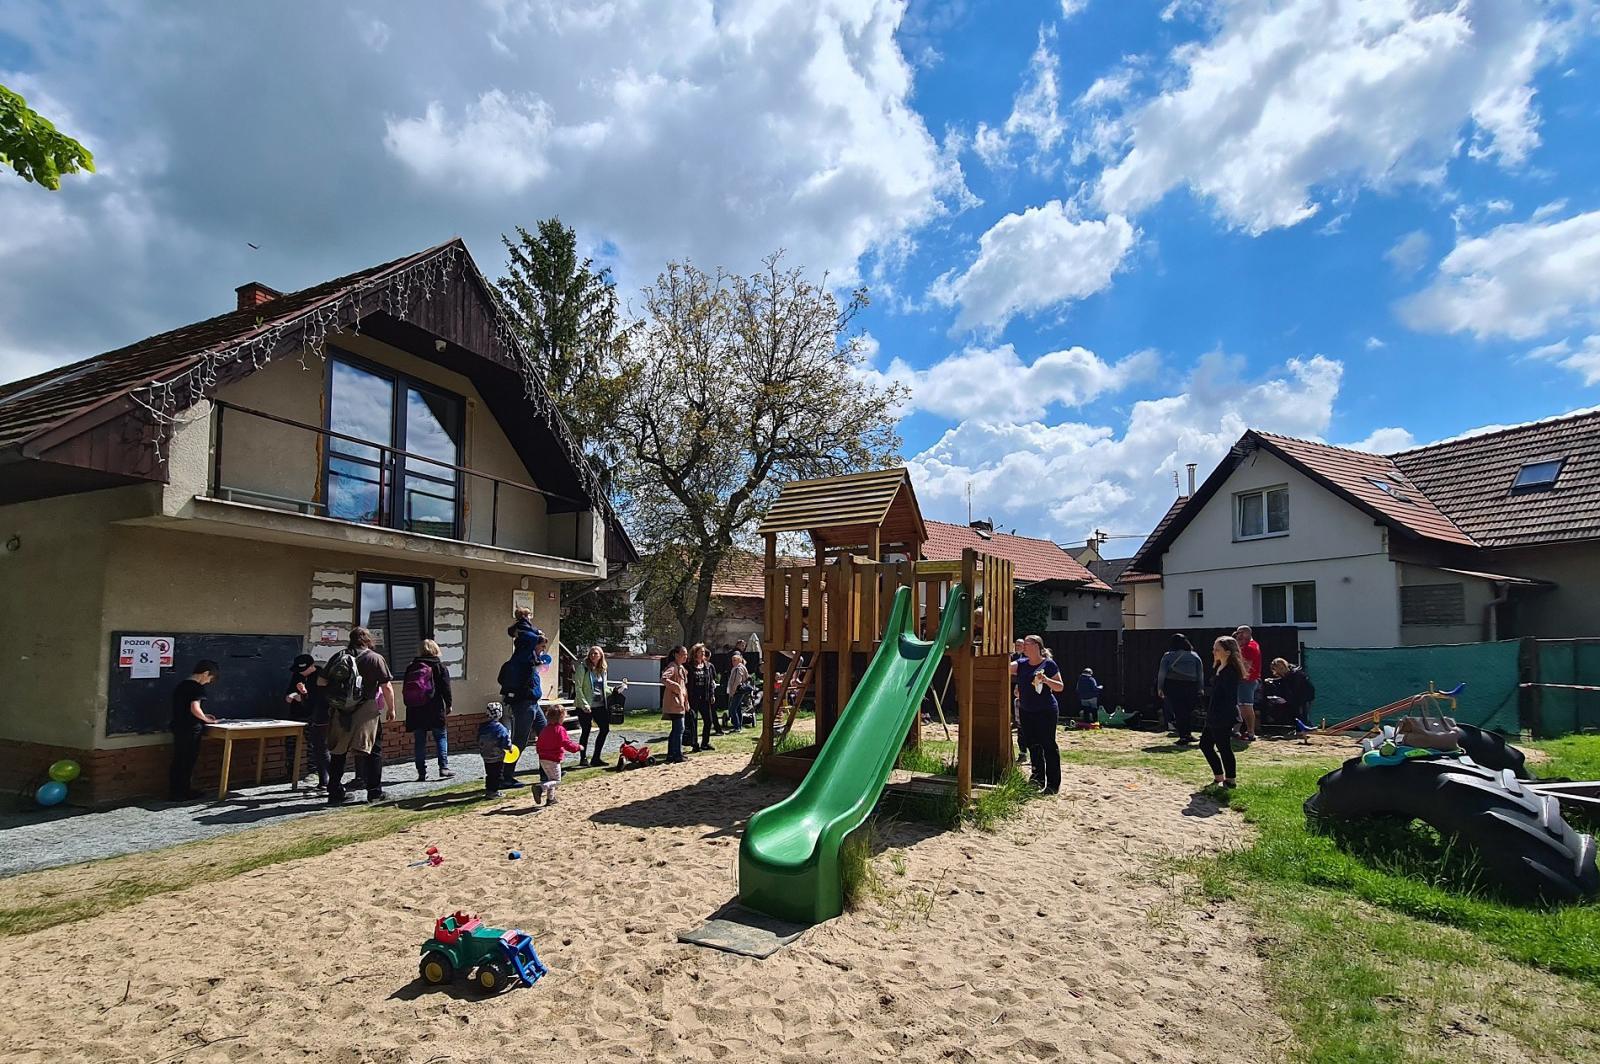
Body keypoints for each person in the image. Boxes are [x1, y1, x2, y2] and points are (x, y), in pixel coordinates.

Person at [325, 627, 394, 805]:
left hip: (340, 711)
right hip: (366, 710)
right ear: (368, 639)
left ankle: (334, 792)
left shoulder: (339, 656)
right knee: (372, 750)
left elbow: (321, 681)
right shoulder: (374, 658)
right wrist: (391, 709)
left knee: (338, 752)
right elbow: (386, 686)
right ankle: (374, 792)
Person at [499, 608, 549, 788]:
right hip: (524, 702)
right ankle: (506, 775)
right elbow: (530, 636)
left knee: (545, 735)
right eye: (541, 646)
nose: (542, 649)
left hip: (533, 702)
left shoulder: (529, 654)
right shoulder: (524, 650)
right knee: (520, 740)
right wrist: (538, 634)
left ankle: (546, 771)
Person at [1008, 635, 1063, 794]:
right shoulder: (1021, 664)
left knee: (1048, 745)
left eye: (1027, 644)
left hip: (1046, 710)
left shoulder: (1048, 664)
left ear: (1037, 646)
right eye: (1023, 644)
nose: (1024, 646)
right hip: (1026, 710)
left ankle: (1053, 784)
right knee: (1033, 745)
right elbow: (1004, 666)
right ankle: (1037, 778)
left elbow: (1060, 687)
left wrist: (1046, 680)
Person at [403, 639, 454, 782]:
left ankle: (421, 772)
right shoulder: (440, 667)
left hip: (416, 709)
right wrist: (449, 704)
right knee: (441, 737)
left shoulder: (412, 667)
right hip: (435, 708)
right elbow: (446, 688)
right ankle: (443, 768)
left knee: (419, 741)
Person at [169, 660, 220, 800]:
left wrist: (203, 716)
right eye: (210, 678)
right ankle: (183, 792)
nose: (209, 681)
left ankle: (175, 791)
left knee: (179, 759)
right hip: (190, 728)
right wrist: (206, 719)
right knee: (188, 760)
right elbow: (194, 708)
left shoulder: (182, 685)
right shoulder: (196, 688)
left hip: (178, 726)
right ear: (205, 673)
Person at [1201, 636, 1245, 788]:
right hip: (1213, 714)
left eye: (1217, 649)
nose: (1214, 652)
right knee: (1205, 745)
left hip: (1222, 715)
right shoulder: (1220, 668)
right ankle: (1219, 777)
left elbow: (1229, 697)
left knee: (1224, 747)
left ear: (1227, 652)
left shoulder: (1230, 672)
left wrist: (1225, 717)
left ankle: (1230, 780)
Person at [284, 654, 330, 790]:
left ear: (311, 666)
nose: (300, 673)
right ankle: (291, 772)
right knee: (291, 743)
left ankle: (314, 772)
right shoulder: (297, 675)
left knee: (313, 745)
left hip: (313, 715)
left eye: (303, 670)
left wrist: (303, 694)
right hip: (296, 714)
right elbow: (289, 692)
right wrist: (291, 696)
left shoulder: (320, 676)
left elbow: (317, 699)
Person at [1155, 635, 1204, 745]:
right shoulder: (1194, 655)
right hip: (1191, 685)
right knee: (1189, 711)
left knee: (1179, 711)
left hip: (1173, 685)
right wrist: (1201, 687)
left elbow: (1162, 673)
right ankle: (1188, 734)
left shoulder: (1168, 656)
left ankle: (1183, 735)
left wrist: (1160, 687)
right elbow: (1200, 673)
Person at [533, 704, 582, 806]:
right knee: (557, 780)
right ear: (560, 718)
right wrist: (578, 747)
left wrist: (540, 753)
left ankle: (550, 799)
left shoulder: (545, 729)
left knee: (551, 779)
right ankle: (540, 788)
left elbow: (539, 743)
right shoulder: (560, 730)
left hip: (543, 758)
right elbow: (566, 743)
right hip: (553, 759)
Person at [573, 645, 610, 766]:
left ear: (601, 656)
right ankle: (583, 758)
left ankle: (596, 758)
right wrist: (584, 704)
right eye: (592, 653)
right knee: (586, 731)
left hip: (599, 705)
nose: (593, 655)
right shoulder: (583, 667)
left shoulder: (603, 669)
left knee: (605, 729)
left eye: (596, 654)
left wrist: (616, 690)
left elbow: (604, 688)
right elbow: (578, 687)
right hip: (585, 706)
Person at [1263, 657, 1315, 728]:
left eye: (1279, 668)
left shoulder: (1295, 673)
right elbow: (1284, 680)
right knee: (1299, 713)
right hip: (1299, 696)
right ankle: (1302, 729)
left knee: (1303, 713)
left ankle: (1306, 729)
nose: (1278, 670)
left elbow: (1295, 687)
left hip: (1305, 695)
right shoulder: (1288, 673)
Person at [1234, 625, 1263, 742]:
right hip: (1244, 680)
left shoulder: (1250, 647)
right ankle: (1236, 730)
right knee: (1240, 706)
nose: (1239, 635)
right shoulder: (1245, 646)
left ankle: (1251, 732)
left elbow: (1246, 665)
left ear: (1248, 633)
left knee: (1246, 706)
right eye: (1237, 633)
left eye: (1242, 633)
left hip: (1247, 681)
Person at [661, 645, 689, 763]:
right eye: (683, 654)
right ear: (676, 655)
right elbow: (663, 678)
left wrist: (687, 701)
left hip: (680, 703)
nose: (685, 656)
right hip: (674, 703)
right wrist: (675, 687)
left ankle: (671, 754)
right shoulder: (672, 667)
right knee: (679, 728)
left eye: (686, 654)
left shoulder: (681, 668)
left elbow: (684, 688)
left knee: (676, 729)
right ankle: (677, 754)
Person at [478, 702, 512, 799]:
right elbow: (506, 740)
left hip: (486, 756)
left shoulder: (483, 727)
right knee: (497, 774)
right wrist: (509, 748)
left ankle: (489, 790)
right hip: (497, 756)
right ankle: (494, 792)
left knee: (489, 773)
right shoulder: (500, 728)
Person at [687, 643, 717, 752]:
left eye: (704, 652)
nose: (703, 654)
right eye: (701, 652)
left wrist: (712, 694)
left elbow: (711, 682)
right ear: (695, 653)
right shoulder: (689, 666)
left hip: (705, 697)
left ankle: (705, 743)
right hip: (693, 697)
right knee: (693, 721)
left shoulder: (707, 666)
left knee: (708, 720)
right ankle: (694, 744)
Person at [1011, 638, 1028, 762]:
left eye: (1020, 645)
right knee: (1021, 727)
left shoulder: (1029, 660)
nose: (1018, 647)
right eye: (1016, 645)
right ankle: (1023, 753)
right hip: (1017, 686)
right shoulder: (1013, 657)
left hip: (1028, 692)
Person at [726, 652, 750, 732]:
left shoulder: (738, 668)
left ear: (739, 660)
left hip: (737, 691)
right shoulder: (740, 667)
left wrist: (733, 691)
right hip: (739, 691)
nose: (733, 662)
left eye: (735, 660)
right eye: (732, 660)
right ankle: (739, 726)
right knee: (738, 709)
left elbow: (737, 681)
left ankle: (737, 727)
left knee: (732, 709)